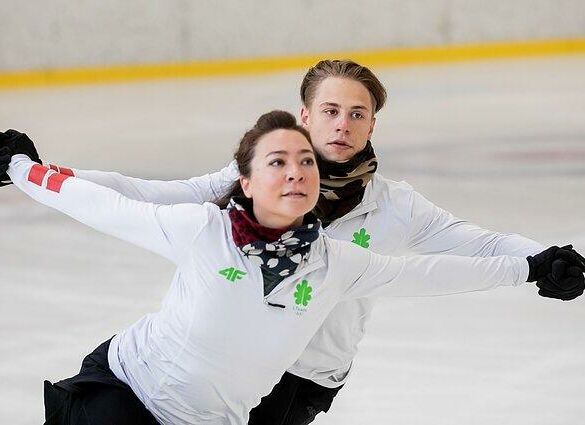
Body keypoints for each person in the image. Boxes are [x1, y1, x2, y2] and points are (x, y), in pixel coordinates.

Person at [2, 64, 585, 424]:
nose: (342, 125)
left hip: (299, 381)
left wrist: (544, 261)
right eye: (330, 111)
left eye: (358, 114)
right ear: (306, 114)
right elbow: (139, 196)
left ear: (372, 126)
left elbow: (474, 249)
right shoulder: (245, 183)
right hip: (211, 366)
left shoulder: (395, 208)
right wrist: (37, 170)